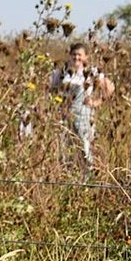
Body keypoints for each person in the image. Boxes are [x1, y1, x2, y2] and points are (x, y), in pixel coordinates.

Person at [49, 42, 115, 170]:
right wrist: (56, 103)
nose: (76, 57)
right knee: (65, 147)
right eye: (74, 54)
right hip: (64, 116)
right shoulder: (62, 72)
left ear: (86, 57)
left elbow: (110, 88)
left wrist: (96, 102)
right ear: (69, 55)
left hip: (84, 116)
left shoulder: (91, 72)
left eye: (79, 55)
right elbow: (51, 89)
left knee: (84, 147)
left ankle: (86, 174)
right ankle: (67, 173)